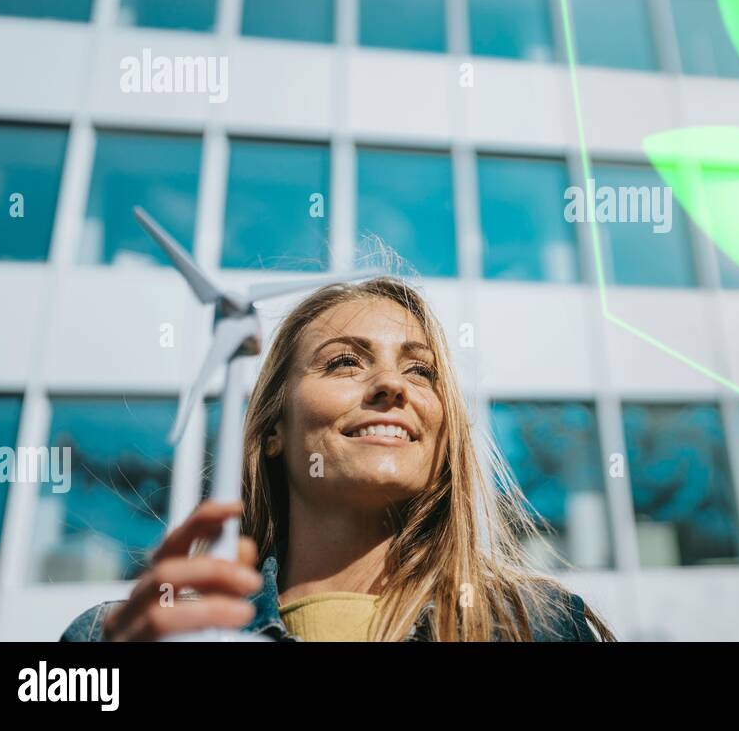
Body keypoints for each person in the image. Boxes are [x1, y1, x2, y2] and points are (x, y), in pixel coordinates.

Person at [59, 273, 615, 642]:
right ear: (273, 428)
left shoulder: (535, 626)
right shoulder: (124, 635)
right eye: (345, 362)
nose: (392, 385)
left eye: (421, 370)